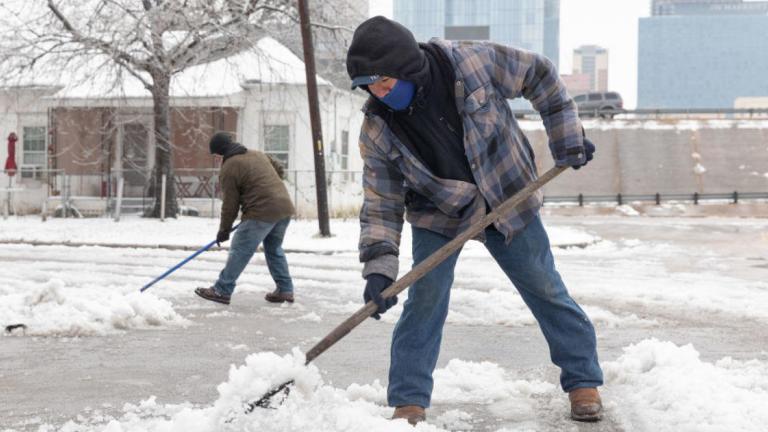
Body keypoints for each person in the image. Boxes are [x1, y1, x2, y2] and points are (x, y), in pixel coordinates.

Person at [346, 17, 603, 425]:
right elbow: (381, 202)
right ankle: (408, 400)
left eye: (385, 83)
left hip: (507, 193)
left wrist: (566, 137)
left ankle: (583, 380)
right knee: (425, 300)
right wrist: (379, 268)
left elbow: (540, 75)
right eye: (369, 87)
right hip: (439, 209)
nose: (378, 94)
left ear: (407, 67)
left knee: (544, 286)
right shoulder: (378, 129)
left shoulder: (472, 63)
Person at [195, 132, 296, 306]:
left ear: (220, 152)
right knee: (274, 249)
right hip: (283, 207)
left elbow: (230, 204)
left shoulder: (229, 167)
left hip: (260, 212)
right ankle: (285, 290)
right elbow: (279, 169)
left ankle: (221, 290)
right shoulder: (257, 154)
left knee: (240, 250)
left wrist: (224, 230)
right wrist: (266, 187)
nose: (217, 159)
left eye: (216, 155)